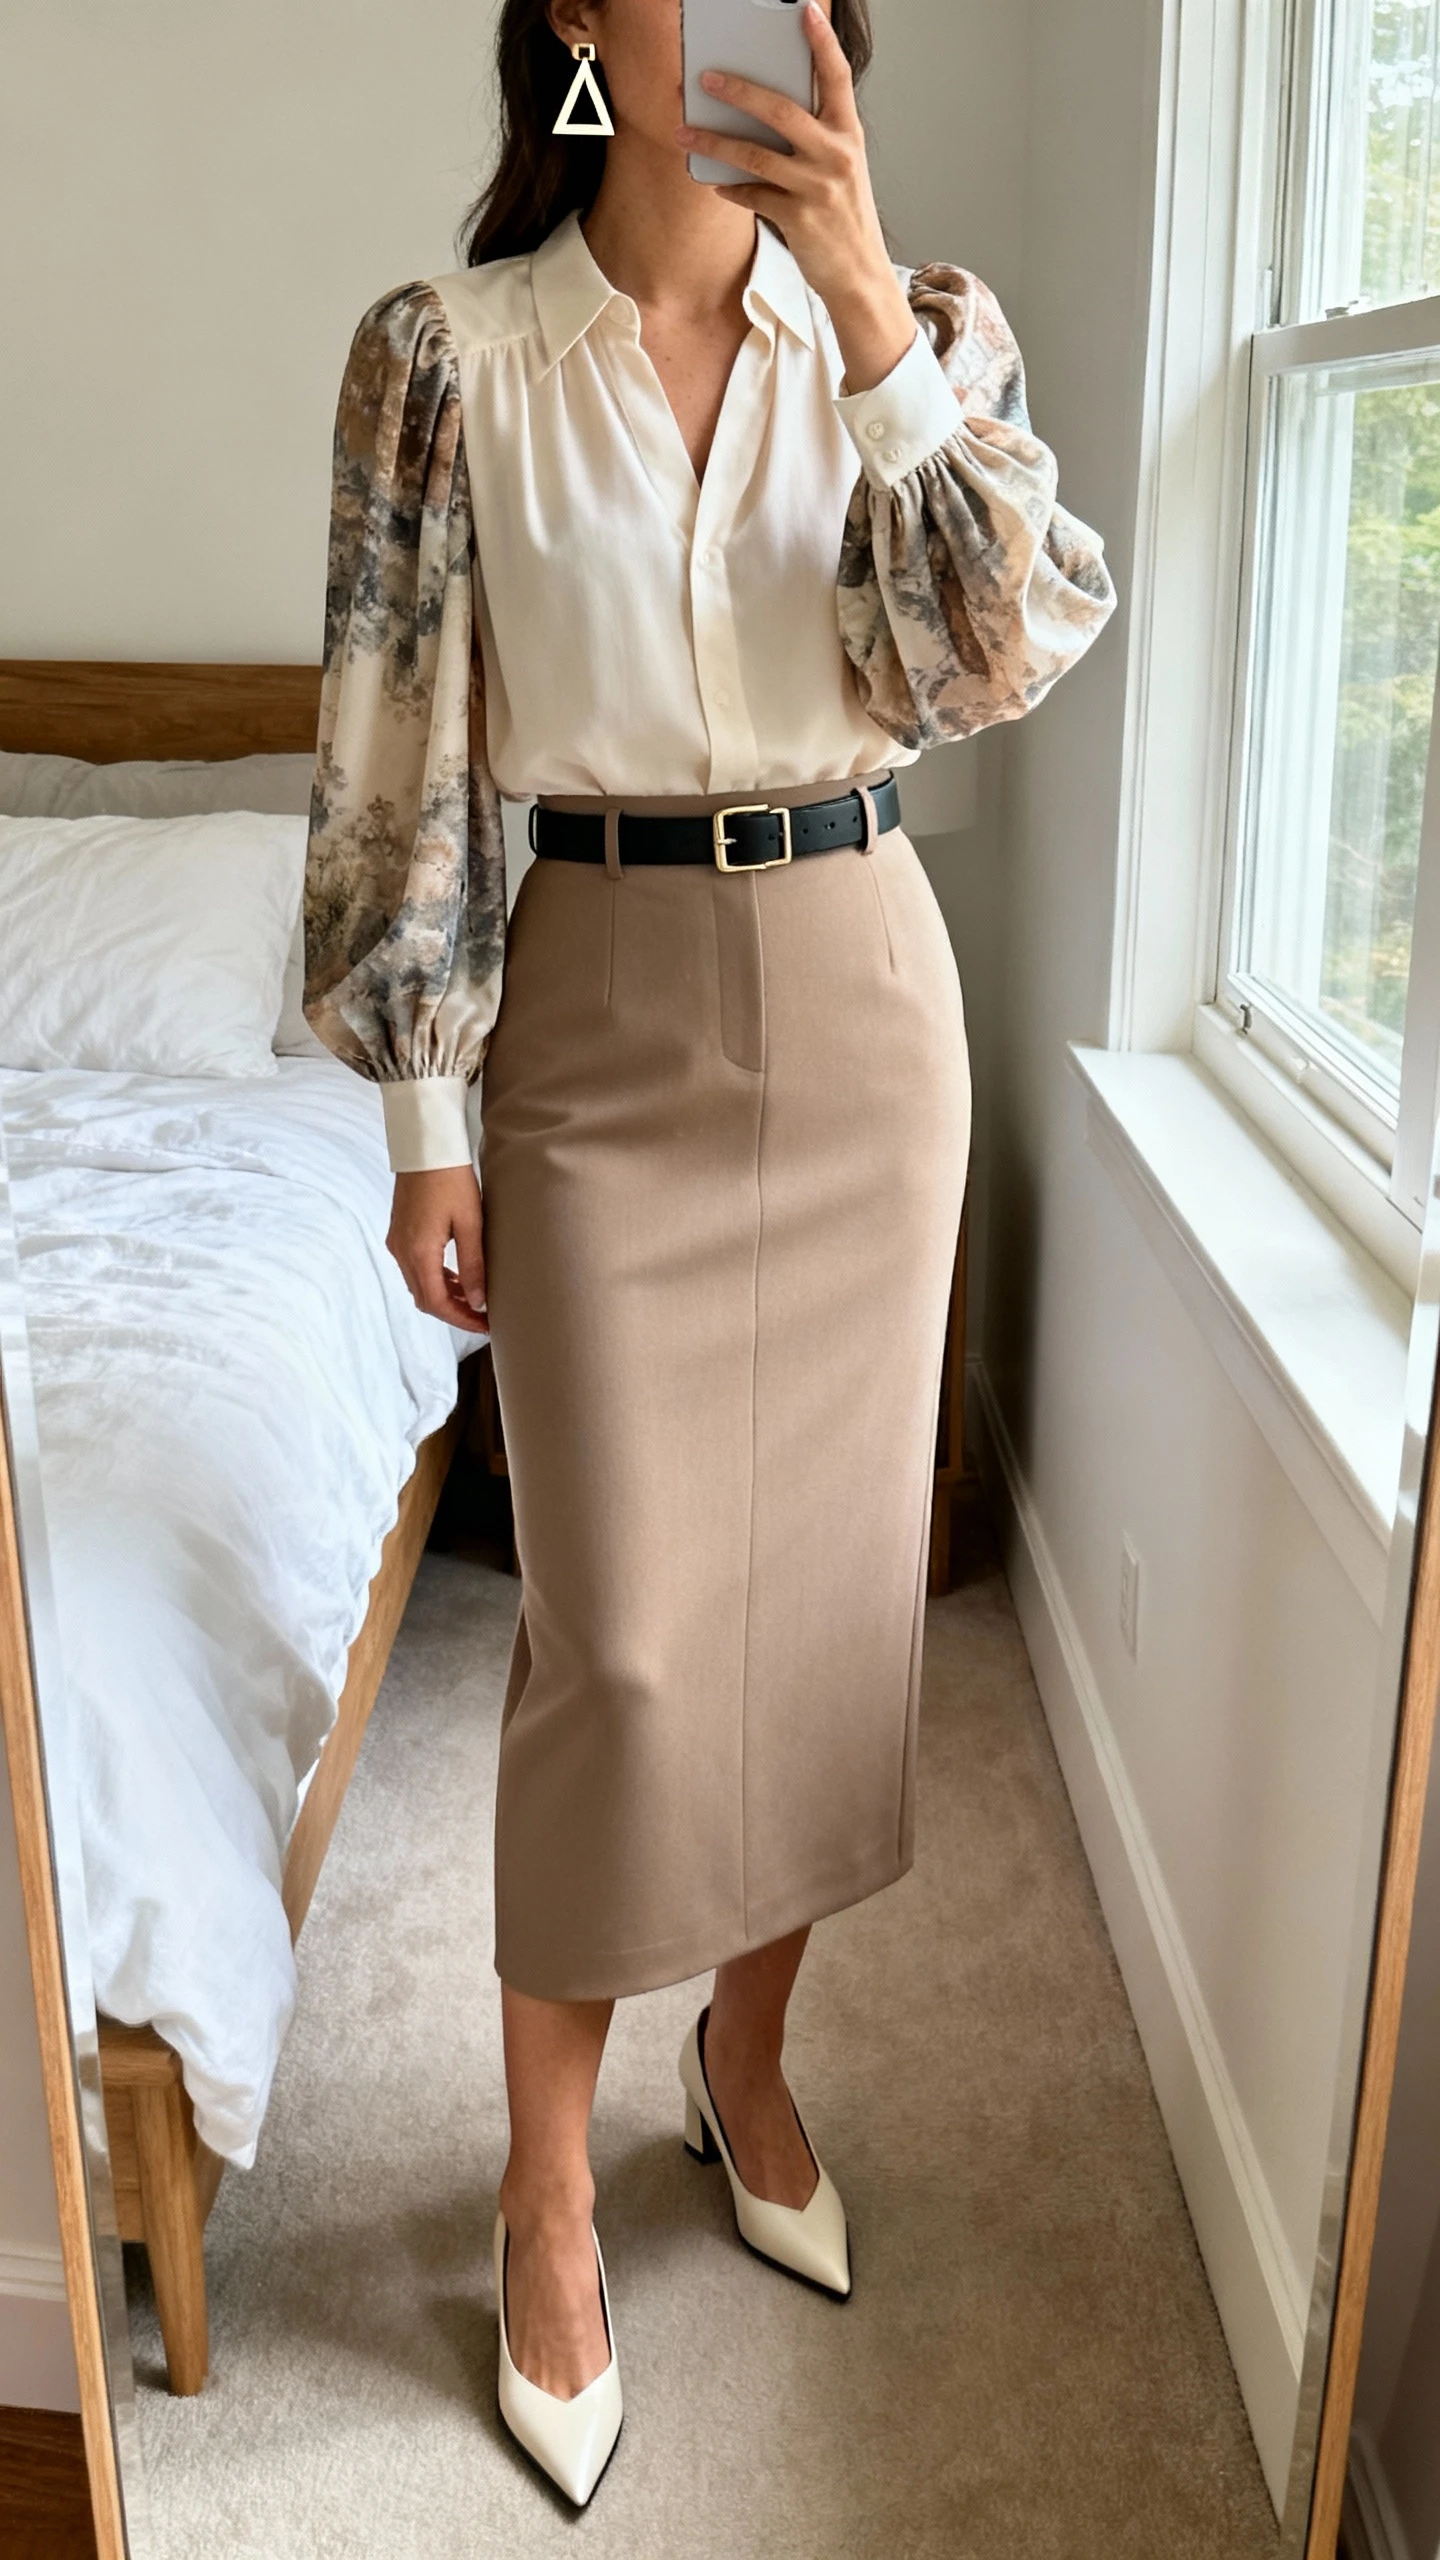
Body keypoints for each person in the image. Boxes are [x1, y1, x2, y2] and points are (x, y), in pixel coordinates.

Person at [304, 0, 1114, 2506]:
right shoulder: (446, 357)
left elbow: (997, 657)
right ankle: (549, 2197)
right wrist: (431, 1114)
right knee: (625, 1650)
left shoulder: (927, 328)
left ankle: (744, 2059)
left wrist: (872, 321)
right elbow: (392, 748)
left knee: (831, 1610)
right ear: (577, 17)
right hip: (599, 1014)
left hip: (869, 998)